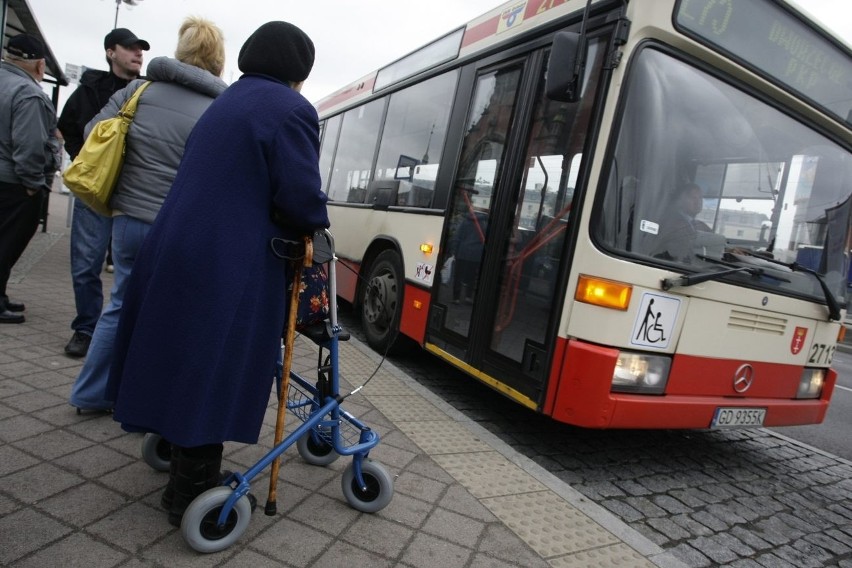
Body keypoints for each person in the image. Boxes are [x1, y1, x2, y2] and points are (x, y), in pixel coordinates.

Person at [106, 21, 329, 527]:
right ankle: (191, 491)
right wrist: (317, 222)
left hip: (178, 242)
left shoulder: (225, 102)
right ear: (299, 69)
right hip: (229, 259)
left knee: (180, 348)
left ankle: (171, 440)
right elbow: (298, 196)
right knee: (216, 360)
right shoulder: (292, 109)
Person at [68, 17, 228, 413]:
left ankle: (90, 394)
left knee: (121, 302)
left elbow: (93, 133)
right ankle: (149, 400)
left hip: (127, 220)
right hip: (177, 228)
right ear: (218, 58)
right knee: (171, 313)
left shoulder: (137, 91)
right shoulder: (218, 109)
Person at [58, 27, 149, 357]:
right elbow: (67, 127)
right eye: (130, 48)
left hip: (133, 191)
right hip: (96, 190)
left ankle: (122, 332)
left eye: (141, 49)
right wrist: (83, 158)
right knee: (86, 263)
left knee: (136, 267)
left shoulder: (149, 90)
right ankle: (85, 328)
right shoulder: (88, 91)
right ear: (111, 52)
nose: (138, 54)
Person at [0, 34, 62, 324]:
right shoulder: (29, 94)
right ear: (39, 65)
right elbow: (29, 146)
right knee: (6, 244)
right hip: (14, 184)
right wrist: (31, 184)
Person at [650, 182, 711, 262]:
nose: (698, 202)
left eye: (700, 198)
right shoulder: (673, 222)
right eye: (693, 198)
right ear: (681, 200)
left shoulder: (698, 224)